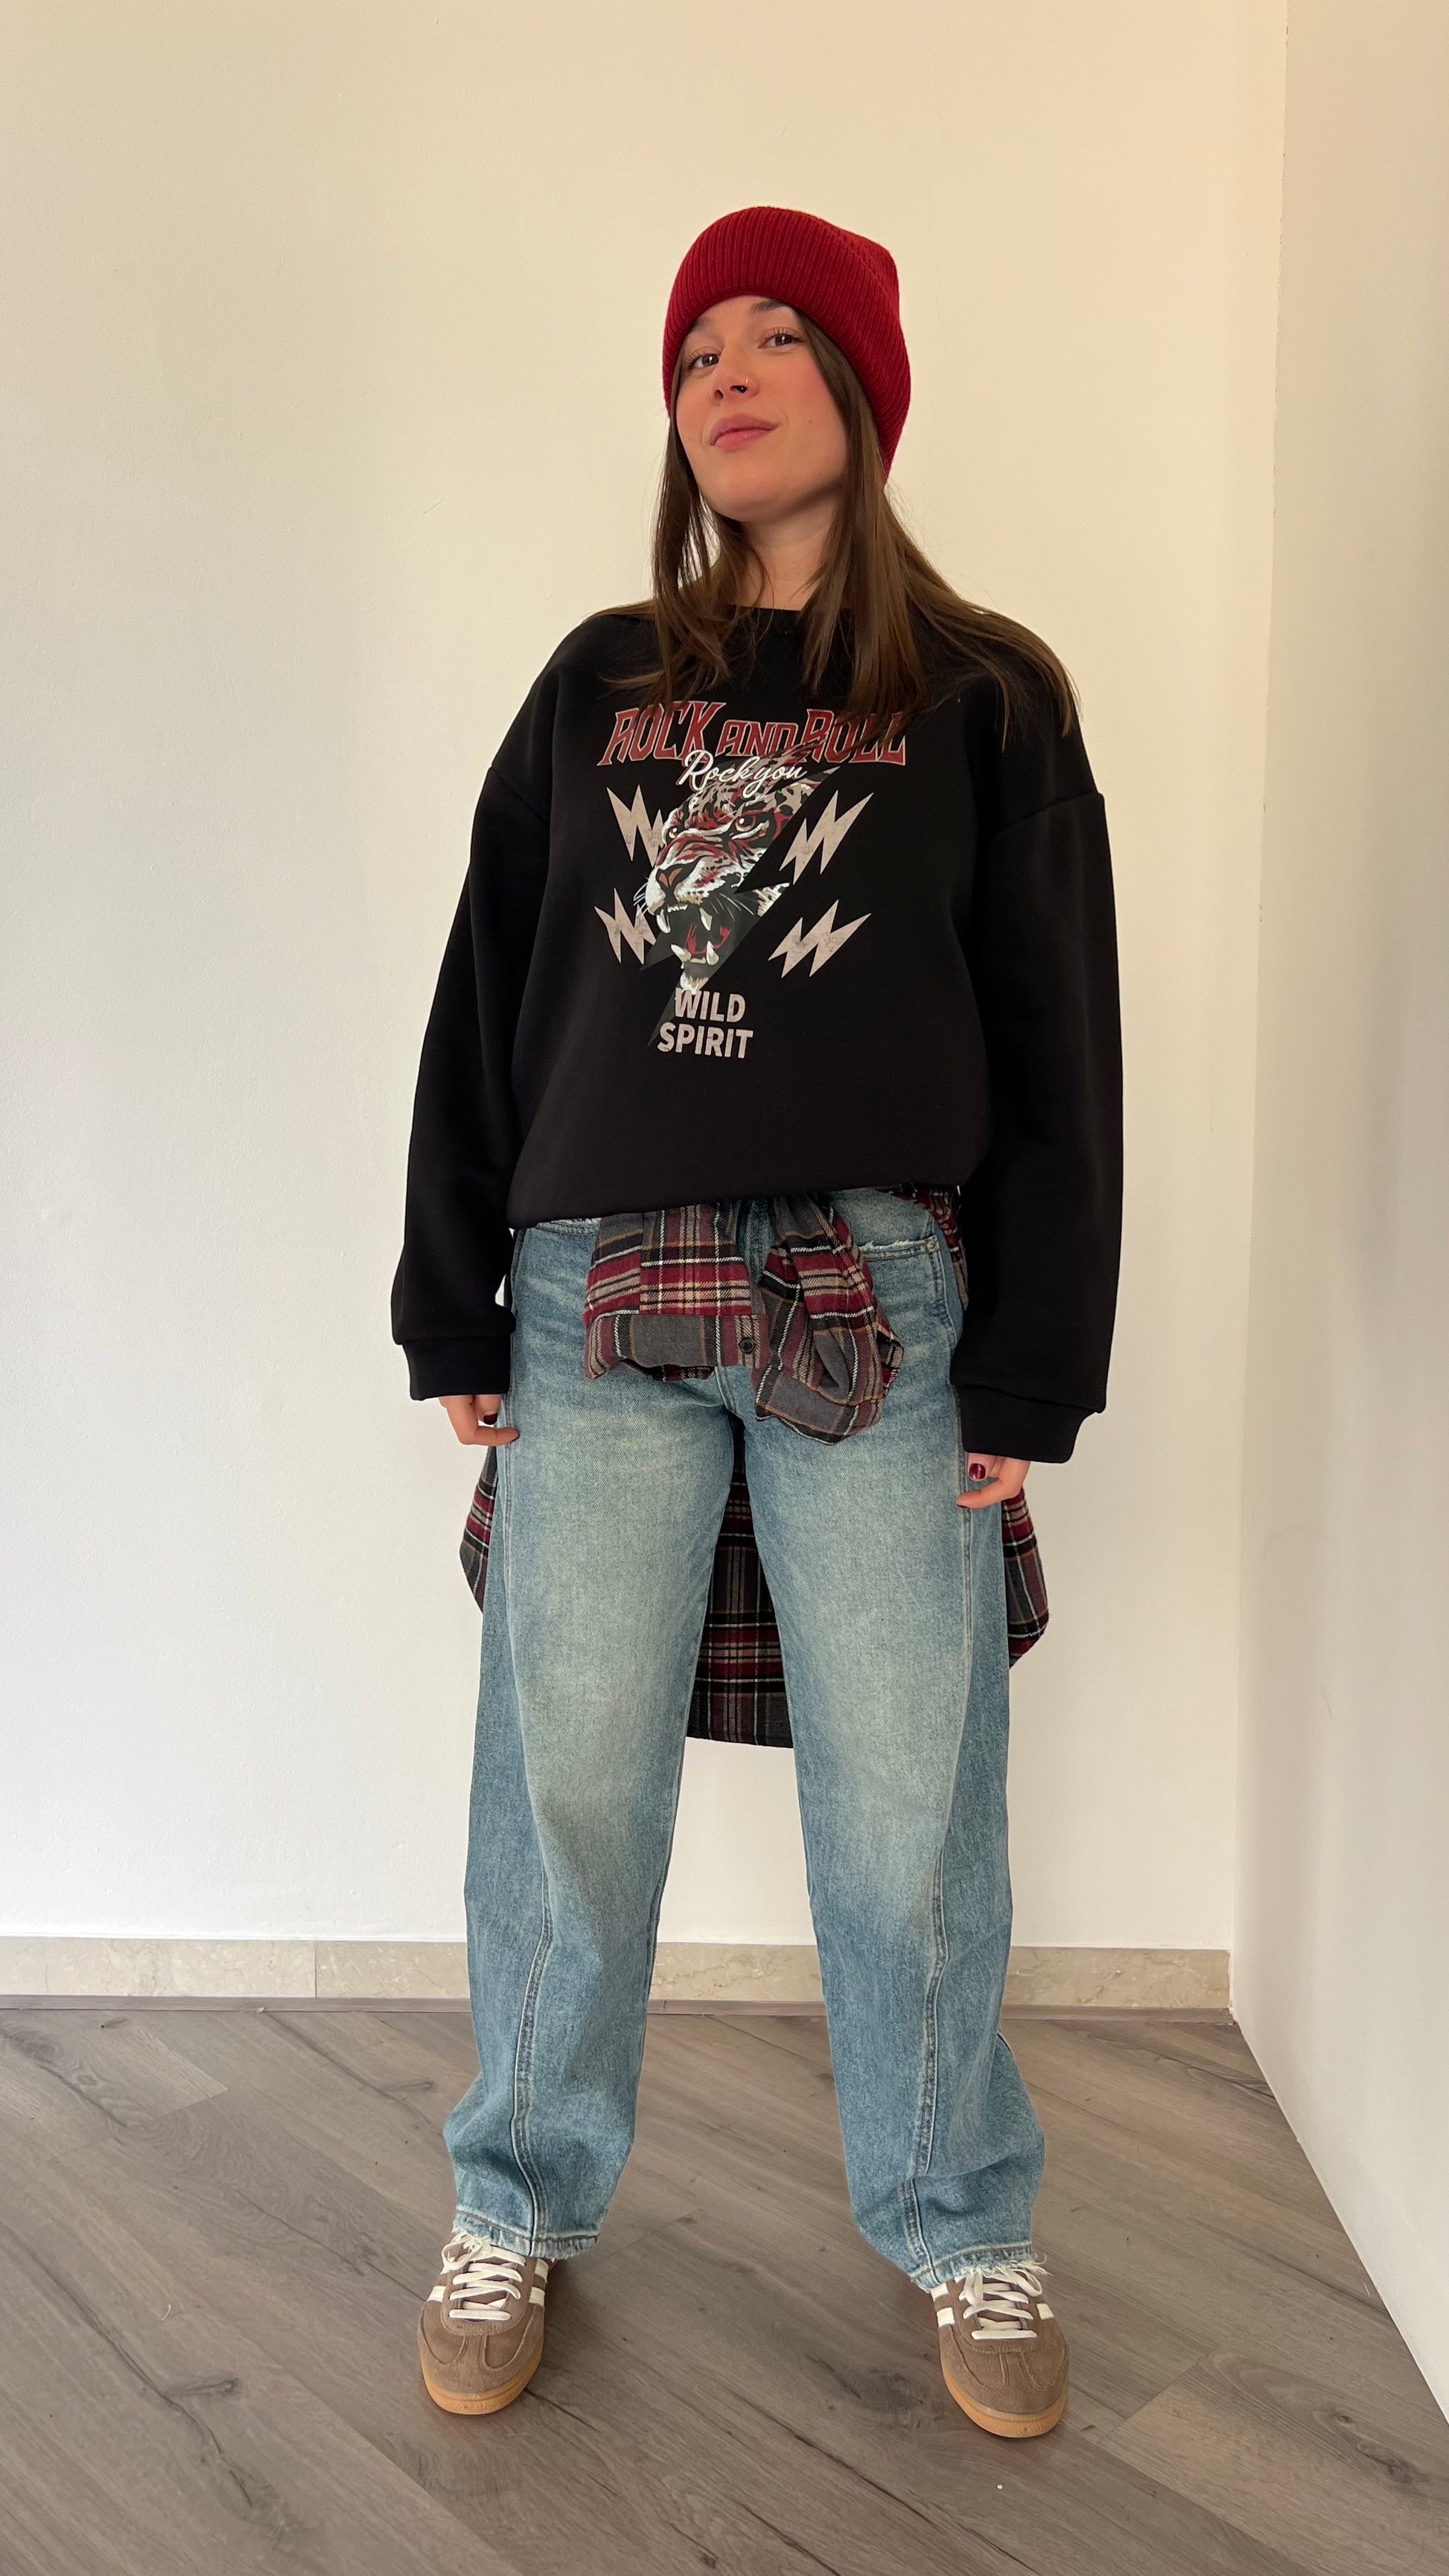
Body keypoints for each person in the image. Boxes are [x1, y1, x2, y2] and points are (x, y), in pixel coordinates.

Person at [391, 203, 1123, 2442]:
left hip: (875, 1296)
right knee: (564, 1782)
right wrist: (447, 1297)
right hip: (596, 1288)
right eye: (698, 342)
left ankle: (960, 2218)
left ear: (863, 391)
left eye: (778, 333)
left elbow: (1058, 1035)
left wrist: (1037, 1358)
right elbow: (492, 984)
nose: (726, 371)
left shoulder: (983, 692)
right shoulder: (598, 680)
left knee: (911, 1798)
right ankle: (515, 2193)